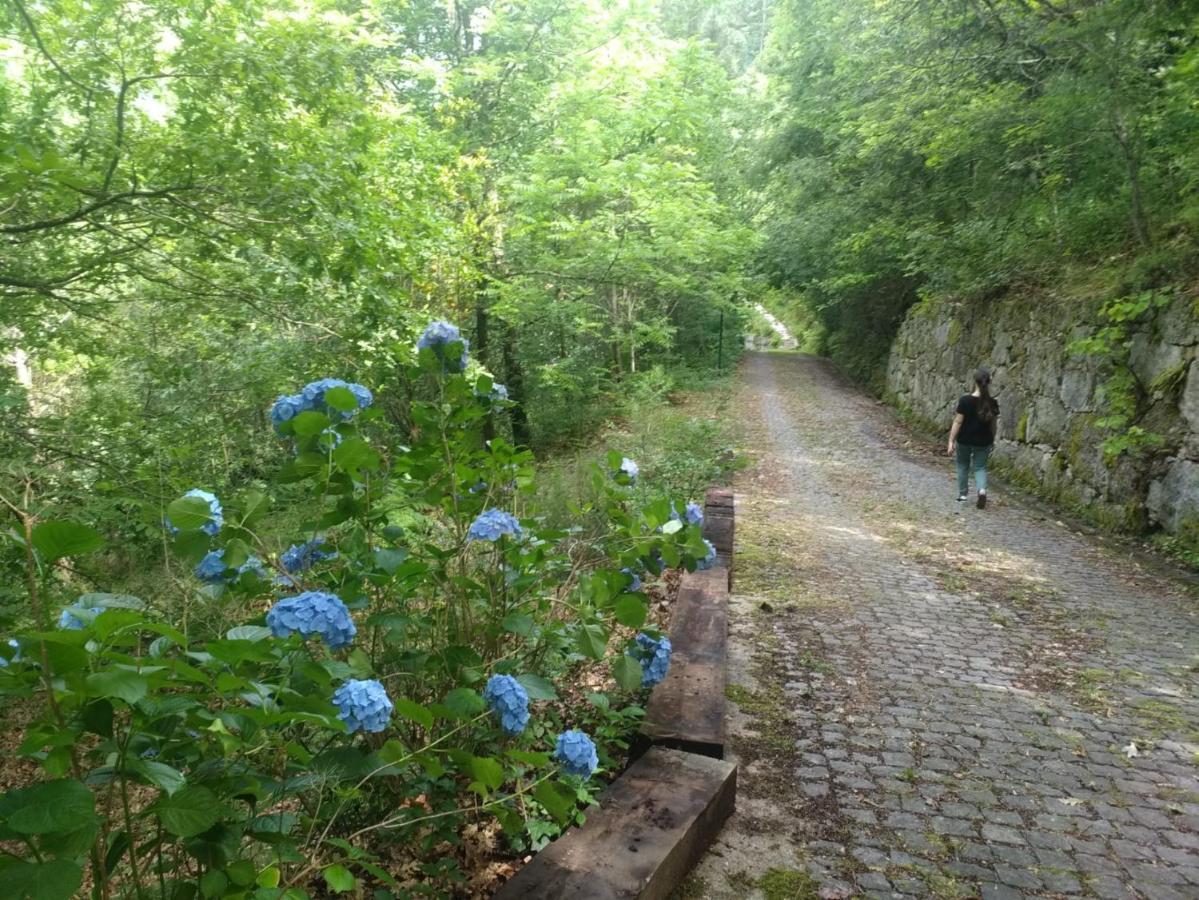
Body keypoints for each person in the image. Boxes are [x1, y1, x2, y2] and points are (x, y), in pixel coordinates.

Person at [948, 368, 999, 508]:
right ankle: (981, 490)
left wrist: (951, 441)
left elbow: (958, 422)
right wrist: (992, 439)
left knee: (963, 465)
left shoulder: (965, 400)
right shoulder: (992, 403)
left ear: (974, 382)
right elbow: (993, 425)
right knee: (980, 467)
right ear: (988, 383)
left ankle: (963, 495)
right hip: (983, 441)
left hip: (965, 439)